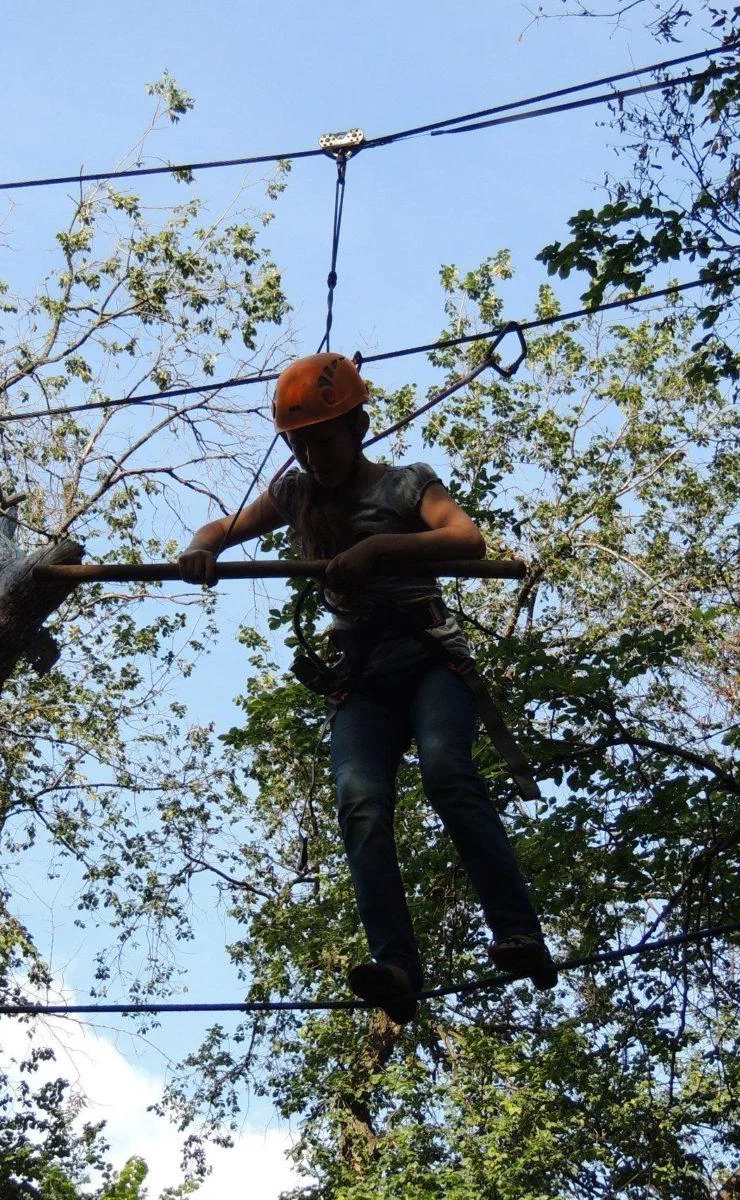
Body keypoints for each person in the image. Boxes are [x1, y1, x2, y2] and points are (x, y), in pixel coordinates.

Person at [176, 352, 556, 1024]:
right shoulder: (295, 495)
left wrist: (379, 551)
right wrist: (202, 548)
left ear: (358, 426)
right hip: (363, 680)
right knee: (361, 804)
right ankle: (397, 967)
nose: (314, 454)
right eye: (301, 443)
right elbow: (222, 529)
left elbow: (467, 539)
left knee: (447, 774)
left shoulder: (407, 486)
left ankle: (519, 931)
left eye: (323, 438)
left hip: (430, 660)